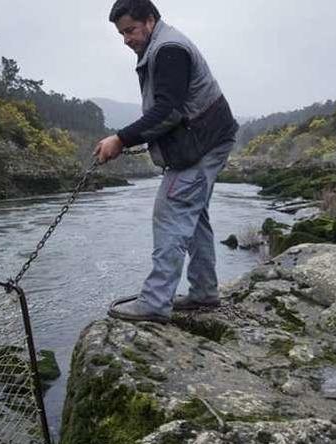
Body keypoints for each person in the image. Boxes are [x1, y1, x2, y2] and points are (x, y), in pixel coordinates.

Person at [94, 0, 239, 324]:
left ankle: (156, 302)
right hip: (207, 140)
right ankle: (204, 291)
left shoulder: (169, 48)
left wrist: (120, 139)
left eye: (130, 30)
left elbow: (168, 111)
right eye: (121, 33)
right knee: (194, 215)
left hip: (202, 143)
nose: (126, 39)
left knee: (170, 213)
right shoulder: (161, 45)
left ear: (150, 20)